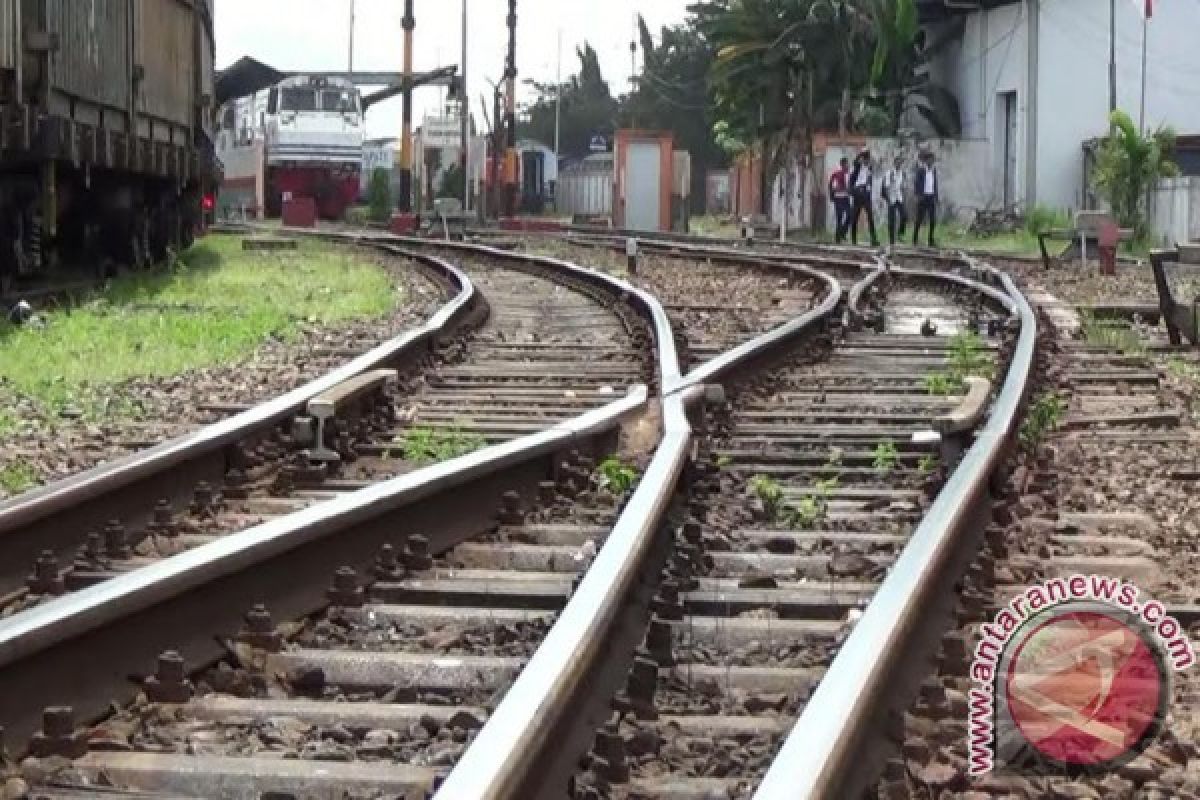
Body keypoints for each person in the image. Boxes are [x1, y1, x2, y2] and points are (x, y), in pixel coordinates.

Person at [849, 149, 879, 247]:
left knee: (870, 217)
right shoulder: (858, 166)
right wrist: (861, 154)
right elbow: (855, 161)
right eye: (865, 159)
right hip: (858, 193)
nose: (867, 161)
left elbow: (870, 180)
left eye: (868, 159)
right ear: (863, 159)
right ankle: (853, 239)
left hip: (866, 194)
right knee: (855, 217)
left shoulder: (870, 168)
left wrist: (869, 191)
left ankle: (874, 239)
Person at [914, 150, 940, 248]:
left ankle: (930, 240)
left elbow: (935, 184)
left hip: (931, 197)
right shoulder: (921, 170)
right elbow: (916, 183)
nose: (931, 162)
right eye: (930, 160)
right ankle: (915, 239)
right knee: (919, 219)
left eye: (932, 160)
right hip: (923, 197)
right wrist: (918, 195)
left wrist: (936, 196)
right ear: (926, 161)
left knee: (933, 220)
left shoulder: (933, 170)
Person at [881, 155, 908, 247]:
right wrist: (888, 199)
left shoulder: (902, 173)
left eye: (901, 163)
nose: (899, 164)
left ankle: (900, 234)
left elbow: (903, 186)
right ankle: (892, 240)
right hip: (891, 197)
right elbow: (886, 186)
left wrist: (903, 192)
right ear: (894, 163)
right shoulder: (889, 173)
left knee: (904, 216)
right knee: (892, 220)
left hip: (899, 197)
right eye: (898, 162)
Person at [828, 157, 851, 244]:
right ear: (842, 165)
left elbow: (850, 186)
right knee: (839, 218)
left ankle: (843, 232)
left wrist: (849, 190)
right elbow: (834, 188)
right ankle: (838, 238)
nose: (847, 166)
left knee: (850, 215)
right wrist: (844, 189)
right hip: (838, 198)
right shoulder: (837, 174)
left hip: (846, 198)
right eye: (846, 164)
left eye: (848, 164)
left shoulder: (849, 174)